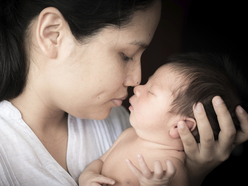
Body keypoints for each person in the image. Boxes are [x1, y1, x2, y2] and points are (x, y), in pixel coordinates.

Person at [0, 0, 248, 185]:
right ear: (53, 34)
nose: (136, 79)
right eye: (126, 55)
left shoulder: (122, 121)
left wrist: (194, 171)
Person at [79, 53, 248, 186]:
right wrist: (88, 176)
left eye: (151, 92)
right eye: (146, 83)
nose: (137, 88)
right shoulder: (128, 134)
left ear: (179, 126)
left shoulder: (172, 169)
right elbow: (100, 161)